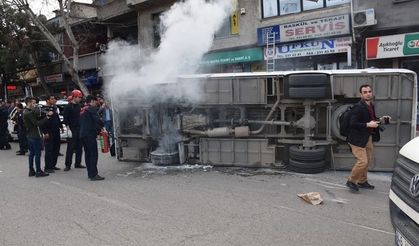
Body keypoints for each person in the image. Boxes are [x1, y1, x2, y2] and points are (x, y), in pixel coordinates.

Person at [346, 84, 391, 191]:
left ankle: (362, 181)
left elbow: (372, 119)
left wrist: (382, 119)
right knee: (363, 161)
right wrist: (367, 125)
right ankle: (351, 181)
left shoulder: (370, 105)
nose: (368, 94)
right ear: (361, 94)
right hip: (356, 139)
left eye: (369, 91)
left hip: (367, 138)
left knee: (368, 161)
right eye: (365, 92)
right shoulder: (358, 107)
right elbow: (352, 123)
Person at [23, 97, 51, 177]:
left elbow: (36, 116)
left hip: (30, 135)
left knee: (32, 153)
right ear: (29, 103)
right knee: (37, 154)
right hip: (34, 135)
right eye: (34, 103)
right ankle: (38, 171)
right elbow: (37, 123)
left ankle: (31, 170)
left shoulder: (27, 111)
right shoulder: (28, 113)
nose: (35, 105)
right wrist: (47, 117)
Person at [80, 95, 105, 181]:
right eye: (95, 101)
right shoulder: (90, 109)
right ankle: (94, 174)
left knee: (88, 155)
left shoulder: (83, 109)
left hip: (83, 134)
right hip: (89, 135)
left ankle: (90, 173)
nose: (96, 103)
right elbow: (97, 119)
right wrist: (102, 124)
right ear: (91, 101)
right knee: (93, 154)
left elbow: (89, 122)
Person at [63, 90, 85, 171]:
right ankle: (68, 165)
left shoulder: (79, 106)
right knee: (70, 148)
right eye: (79, 97)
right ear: (74, 97)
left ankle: (78, 163)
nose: (80, 99)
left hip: (79, 128)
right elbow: (65, 119)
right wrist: (68, 130)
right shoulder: (68, 107)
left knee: (79, 147)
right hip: (72, 129)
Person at [42, 95, 63, 173]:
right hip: (49, 131)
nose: (54, 100)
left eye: (54, 98)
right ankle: (47, 167)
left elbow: (56, 118)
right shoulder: (44, 109)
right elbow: (43, 122)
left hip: (56, 131)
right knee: (49, 149)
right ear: (47, 100)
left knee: (56, 148)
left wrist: (60, 126)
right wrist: (45, 132)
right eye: (52, 99)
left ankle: (53, 165)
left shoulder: (54, 108)